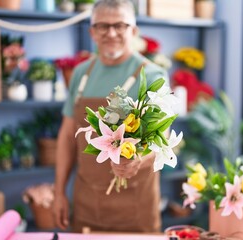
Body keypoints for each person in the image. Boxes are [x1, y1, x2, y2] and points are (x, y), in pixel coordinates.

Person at [53, 0, 169, 233]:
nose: (111, 33)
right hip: (86, 202)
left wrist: (139, 159)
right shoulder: (80, 73)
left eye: (120, 25)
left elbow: (162, 140)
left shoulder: (153, 75)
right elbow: (67, 136)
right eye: (102, 26)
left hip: (136, 205)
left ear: (134, 31)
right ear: (92, 32)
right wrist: (59, 193)